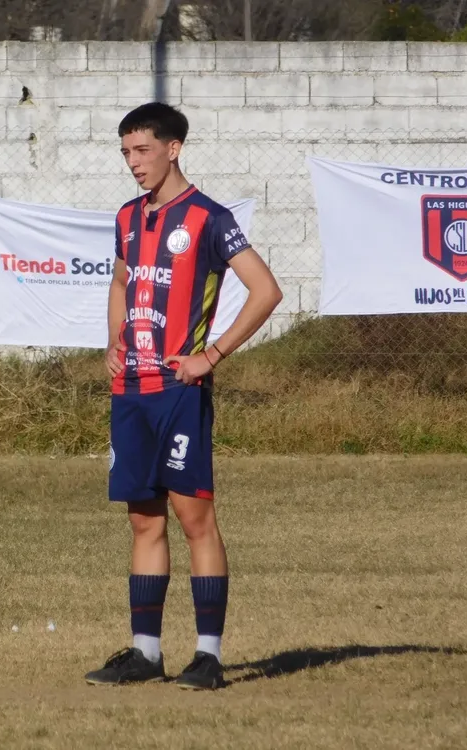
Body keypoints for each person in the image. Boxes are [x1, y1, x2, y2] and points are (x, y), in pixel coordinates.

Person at [84, 102, 283, 690]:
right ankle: (146, 653)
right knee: (143, 522)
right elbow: (121, 280)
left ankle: (209, 655)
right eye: (125, 152)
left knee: (194, 518)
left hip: (178, 390)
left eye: (141, 150)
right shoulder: (126, 217)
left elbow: (266, 290)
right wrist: (113, 341)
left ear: (173, 148)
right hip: (131, 392)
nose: (132, 163)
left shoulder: (209, 218)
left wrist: (212, 355)